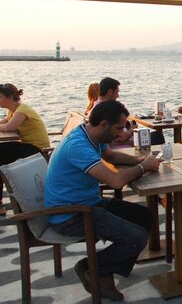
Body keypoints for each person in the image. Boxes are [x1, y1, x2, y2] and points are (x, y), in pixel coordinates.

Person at [44, 100, 161, 301]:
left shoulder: (90, 135)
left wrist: (139, 161)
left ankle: (106, 269)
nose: (121, 132)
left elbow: (112, 156)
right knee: (137, 238)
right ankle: (91, 267)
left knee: (145, 217)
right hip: (71, 215)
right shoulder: (78, 146)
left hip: (89, 204)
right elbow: (116, 181)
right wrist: (144, 168)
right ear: (104, 124)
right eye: (118, 128)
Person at [0, 83, 50, 215]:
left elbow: (9, 127)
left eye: (0, 97)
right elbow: (5, 122)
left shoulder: (23, 110)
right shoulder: (14, 111)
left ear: (10, 97)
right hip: (29, 148)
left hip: (37, 151)